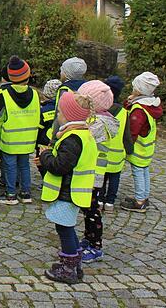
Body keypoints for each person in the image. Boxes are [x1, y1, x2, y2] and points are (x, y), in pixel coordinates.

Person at [39, 91, 97, 284]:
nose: (57, 115)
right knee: (67, 228)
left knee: (64, 228)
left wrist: (46, 156)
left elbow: (61, 166)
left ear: (68, 115)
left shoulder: (72, 139)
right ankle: (74, 264)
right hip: (73, 190)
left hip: (68, 191)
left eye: (60, 112)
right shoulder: (82, 134)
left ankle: (69, 268)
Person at [76, 80, 119, 263]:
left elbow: (84, 138)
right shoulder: (99, 119)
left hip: (93, 175)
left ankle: (95, 246)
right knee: (87, 210)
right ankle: (88, 238)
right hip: (91, 173)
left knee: (92, 211)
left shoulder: (98, 123)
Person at [0, 56, 40, 206]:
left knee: (10, 166)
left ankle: (10, 194)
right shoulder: (35, 94)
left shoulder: (3, 95)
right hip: (27, 140)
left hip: (10, 140)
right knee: (24, 165)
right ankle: (26, 193)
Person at [121, 72, 163, 213]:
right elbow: (129, 106)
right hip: (147, 148)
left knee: (138, 172)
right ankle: (144, 197)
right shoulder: (150, 104)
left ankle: (139, 201)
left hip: (138, 148)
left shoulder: (139, 110)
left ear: (139, 90)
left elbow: (133, 131)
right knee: (144, 171)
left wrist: (127, 145)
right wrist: (130, 101)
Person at [98, 75, 134, 212]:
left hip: (102, 152)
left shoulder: (100, 110)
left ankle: (100, 199)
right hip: (117, 155)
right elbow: (127, 135)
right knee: (114, 178)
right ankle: (110, 202)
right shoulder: (124, 113)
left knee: (101, 177)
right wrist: (129, 150)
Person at [50, 57, 88, 141]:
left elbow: (59, 114)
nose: (60, 73)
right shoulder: (87, 87)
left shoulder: (65, 90)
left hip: (65, 130)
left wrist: (54, 137)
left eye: (62, 71)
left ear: (67, 74)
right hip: (83, 129)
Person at [35, 79, 62, 177]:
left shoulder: (43, 110)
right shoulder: (62, 107)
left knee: (42, 163)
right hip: (58, 142)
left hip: (43, 144)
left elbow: (39, 128)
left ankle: (46, 179)